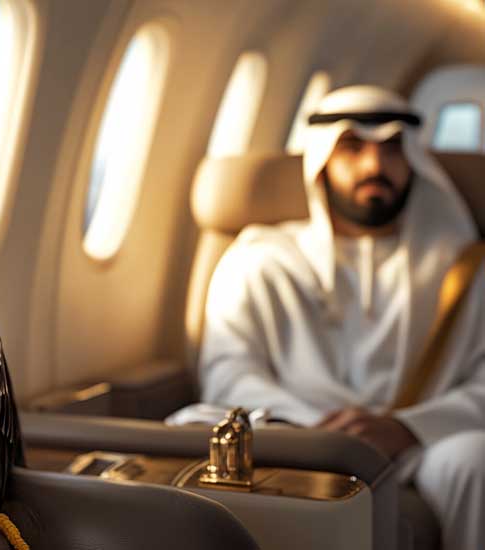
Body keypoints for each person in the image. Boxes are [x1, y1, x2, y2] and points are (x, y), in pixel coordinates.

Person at [200, 85, 485, 550]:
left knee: (477, 458)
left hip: (417, 444)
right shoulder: (262, 258)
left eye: (392, 149)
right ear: (322, 159)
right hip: (294, 435)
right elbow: (228, 370)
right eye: (352, 147)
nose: (375, 166)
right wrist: (317, 435)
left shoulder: (464, 268)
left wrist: (407, 428)